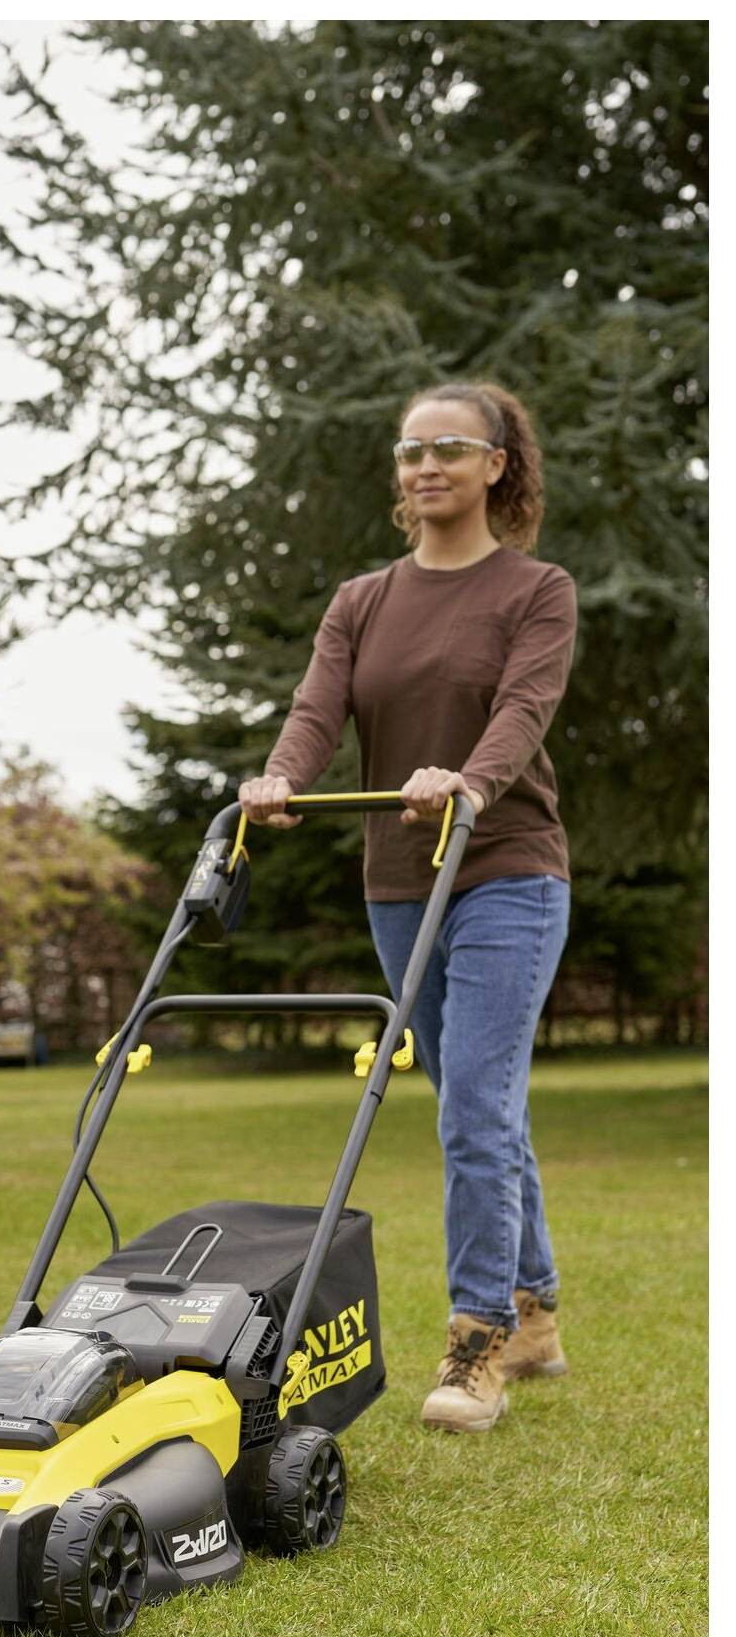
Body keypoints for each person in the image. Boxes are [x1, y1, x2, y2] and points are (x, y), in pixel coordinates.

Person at [238, 379, 575, 1434]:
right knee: (478, 1102)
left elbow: (522, 708)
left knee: (471, 1105)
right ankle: (536, 1313)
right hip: (398, 880)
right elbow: (315, 710)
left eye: (449, 447)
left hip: (507, 867)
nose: (425, 463)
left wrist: (469, 780)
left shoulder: (536, 589)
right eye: (409, 448)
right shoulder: (361, 600)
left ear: (495, 466)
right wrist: (277, 777)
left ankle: (476, 1344)